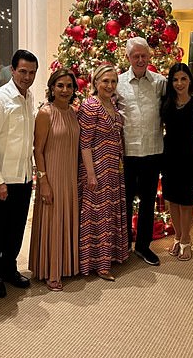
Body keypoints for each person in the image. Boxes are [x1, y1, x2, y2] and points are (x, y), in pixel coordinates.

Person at [0, 49, 38, 298]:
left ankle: (9, 268)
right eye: (23, 71)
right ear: (13, 71)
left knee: (16, 228)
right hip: (2, 180)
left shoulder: (28, 97)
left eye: (32, 73)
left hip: (24, 177)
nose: (27, 77)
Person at [29, 69, 80, 291]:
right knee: (53, 221)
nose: (65, 90)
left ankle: (66, 266)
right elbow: (37, 150)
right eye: (60, 85)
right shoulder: (45, 113)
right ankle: (51, 271)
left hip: (70, 176)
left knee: (66, 219)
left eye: (69, 86)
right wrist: (44, 181)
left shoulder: (73, 112)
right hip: (51, 176)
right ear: (52, 87)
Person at [116, 37, 166, 266]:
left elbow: (183, 98)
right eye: (135, 56)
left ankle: (144, 246)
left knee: (148, 202)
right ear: (128, 58)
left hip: (153, 151)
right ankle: (124, 245)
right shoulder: (116, 83)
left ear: (149, 57)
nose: (140, 59)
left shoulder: (160, 82)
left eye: (143, 55)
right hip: (127, 154)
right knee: (125, 202)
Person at [78, 63, 129, 280]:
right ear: (95, 82)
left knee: (109, 213)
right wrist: (90, 174)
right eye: (105, 81)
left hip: (113, 170)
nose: (109, 85)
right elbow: (85, 143)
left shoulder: (113, 105)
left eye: (113, 81)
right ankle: (97, 263)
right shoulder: (91, 105)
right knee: (97, 216)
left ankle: (109, 257)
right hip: (96, 169)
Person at [160, 63, 193, 261]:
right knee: (172, 200)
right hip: (169, 156)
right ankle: (177, 237)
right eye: (175, 79)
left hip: (190, 156)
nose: (179, 83)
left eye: (183, 79)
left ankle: (186, 239)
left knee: (186, 201)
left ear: (190, 80)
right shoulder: (166, 101)